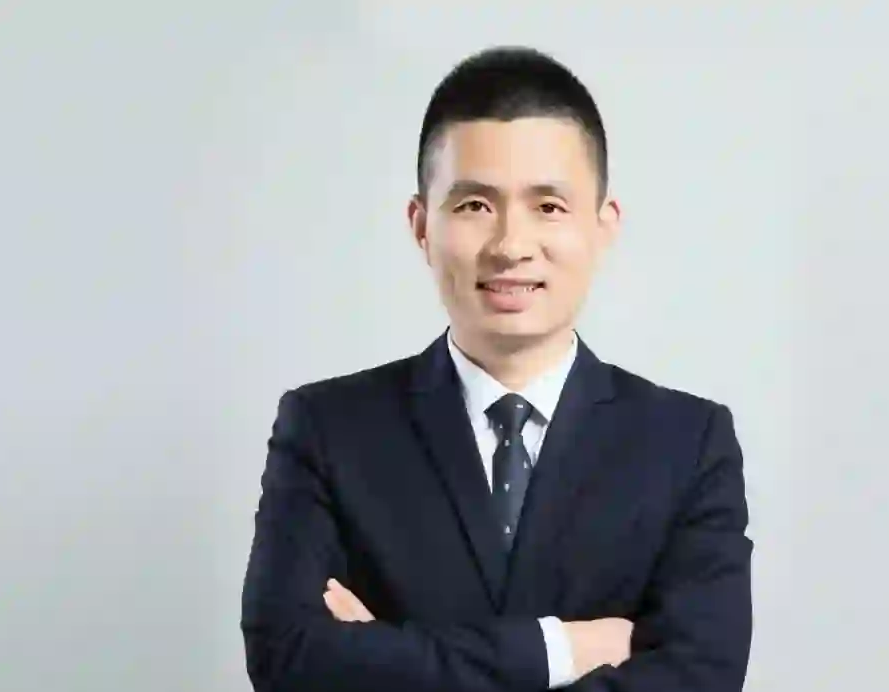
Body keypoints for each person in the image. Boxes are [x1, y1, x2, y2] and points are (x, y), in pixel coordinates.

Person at [241, 45, 753, 692]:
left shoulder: (688, 443)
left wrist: (383, 657)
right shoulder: (327, 429)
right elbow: (287, 661)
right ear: (421, 226)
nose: (511, 245)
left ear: (603, 227)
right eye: (474, 206)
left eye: (549, 207)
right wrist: (559, 649)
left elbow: (701, 677)